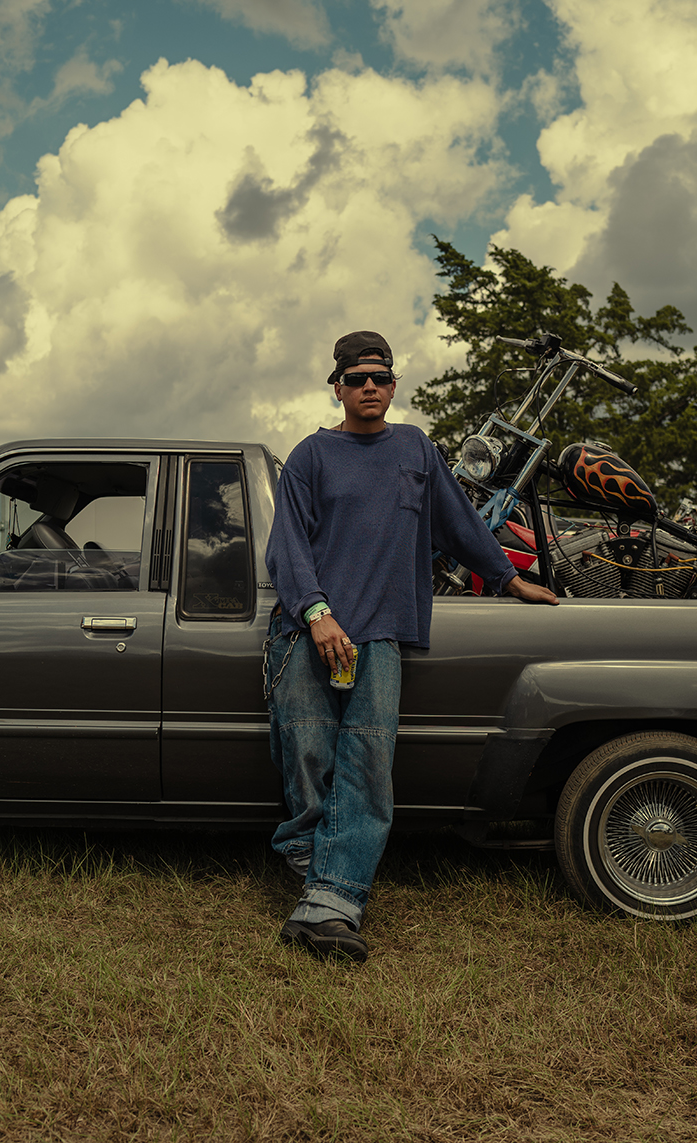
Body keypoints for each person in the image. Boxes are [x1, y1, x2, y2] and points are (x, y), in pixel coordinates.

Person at [264, 330, 558, 963]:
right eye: (356, 377)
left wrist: (510, 580)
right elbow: (286, 546)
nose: (369, 386)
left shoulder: (416, 450)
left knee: (366, 769)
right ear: (337, 387)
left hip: (378, 639)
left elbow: (460, 524)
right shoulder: (311, 457)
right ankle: (312, 860)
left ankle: (331, 901)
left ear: (393, 386)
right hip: (307, 635)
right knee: (307, 761)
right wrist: (317, 614)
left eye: (381, 377)